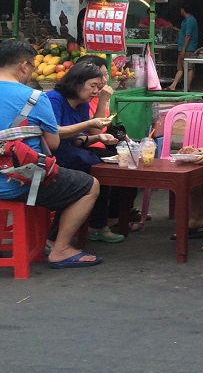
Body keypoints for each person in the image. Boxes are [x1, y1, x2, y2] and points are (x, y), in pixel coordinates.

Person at [0, 40, 103, 268]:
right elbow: (53, 143)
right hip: (18, 183)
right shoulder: (35, 98)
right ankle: (61, 249)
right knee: (89, 186)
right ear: (24, 65)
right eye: (33, 66)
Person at [45, 62, 123, 244]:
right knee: (88, 167)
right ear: (77, 83)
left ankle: (100, 223)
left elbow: (77, 139)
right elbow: (54, 133)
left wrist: (98, 138)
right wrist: (89, 124)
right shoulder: (54, 99)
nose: (96, 91)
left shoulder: (82, 104)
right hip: (51, 152)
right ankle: (55, 237)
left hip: (71, 149)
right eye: (93, 86)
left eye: (98, 87)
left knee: (112, 162)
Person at [167, 2, 199, 91]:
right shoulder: (188, 20)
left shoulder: (189, 21)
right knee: (180, 68)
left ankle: (187, 87)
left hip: (188, 49)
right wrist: (178, 30)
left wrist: (183, 50)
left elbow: (188, 36)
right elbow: (186, 32)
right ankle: (173, 86)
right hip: (184, 48)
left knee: (189, 68)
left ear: (183, 10)